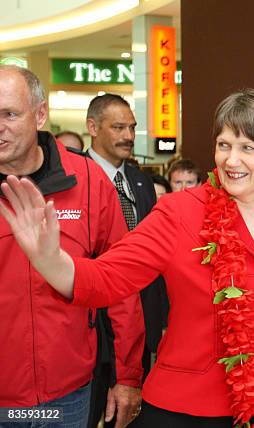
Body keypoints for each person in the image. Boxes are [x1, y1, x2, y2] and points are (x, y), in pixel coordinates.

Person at [0, 89, 254, 427]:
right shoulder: (179, 212)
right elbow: (109, 277)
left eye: (248, 148)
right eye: (224, 145)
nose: (231, 161)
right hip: (185, 410)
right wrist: (51, 261)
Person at [0, 65, 144, 427]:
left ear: (41, 114)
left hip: (68, 395)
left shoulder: (90, 182)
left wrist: (127, 376)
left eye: (10, 114)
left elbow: (121, 283)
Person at [85, 94, 169, 427]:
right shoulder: (77, 178)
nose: (129, 136)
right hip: (95, 316)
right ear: (93, 128)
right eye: (118, 127)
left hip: (140, 315)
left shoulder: (140, 181)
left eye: (132, 127)